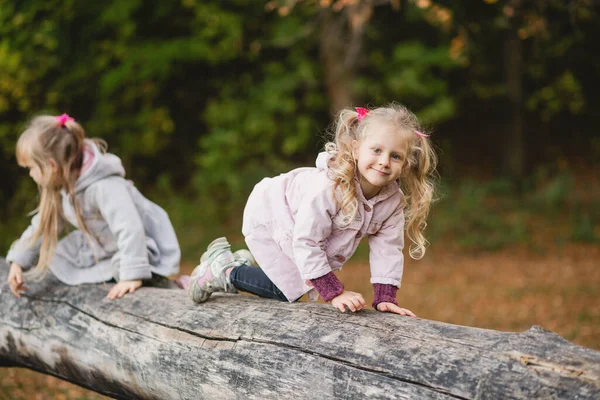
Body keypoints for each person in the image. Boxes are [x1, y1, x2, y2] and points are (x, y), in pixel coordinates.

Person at [186, 104, 437, 315]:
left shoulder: (392, 201)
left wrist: (385, 296)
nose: (384, 162)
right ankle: (224, 270)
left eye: (395, 156)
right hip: (273, 213)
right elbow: (306, 240)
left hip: (300, 230)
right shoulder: (330, 188)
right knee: (288, 290)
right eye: (377, 150)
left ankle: (237, 265)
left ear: (405, 164)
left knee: (295, 285)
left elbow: (388, 248)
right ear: (355, 149)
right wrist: (334, 293)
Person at [5, 114, 180, 300]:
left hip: (141, 248)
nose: (30, 174)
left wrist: (132, 275)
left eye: (30, 168)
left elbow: (130, 227)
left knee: (125, 266)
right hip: (105, 246)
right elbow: (41, 226)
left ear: (51, 165)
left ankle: (165, 285)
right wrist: (18, 261)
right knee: (56, 257)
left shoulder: (104, 186)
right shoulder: (64, 187)